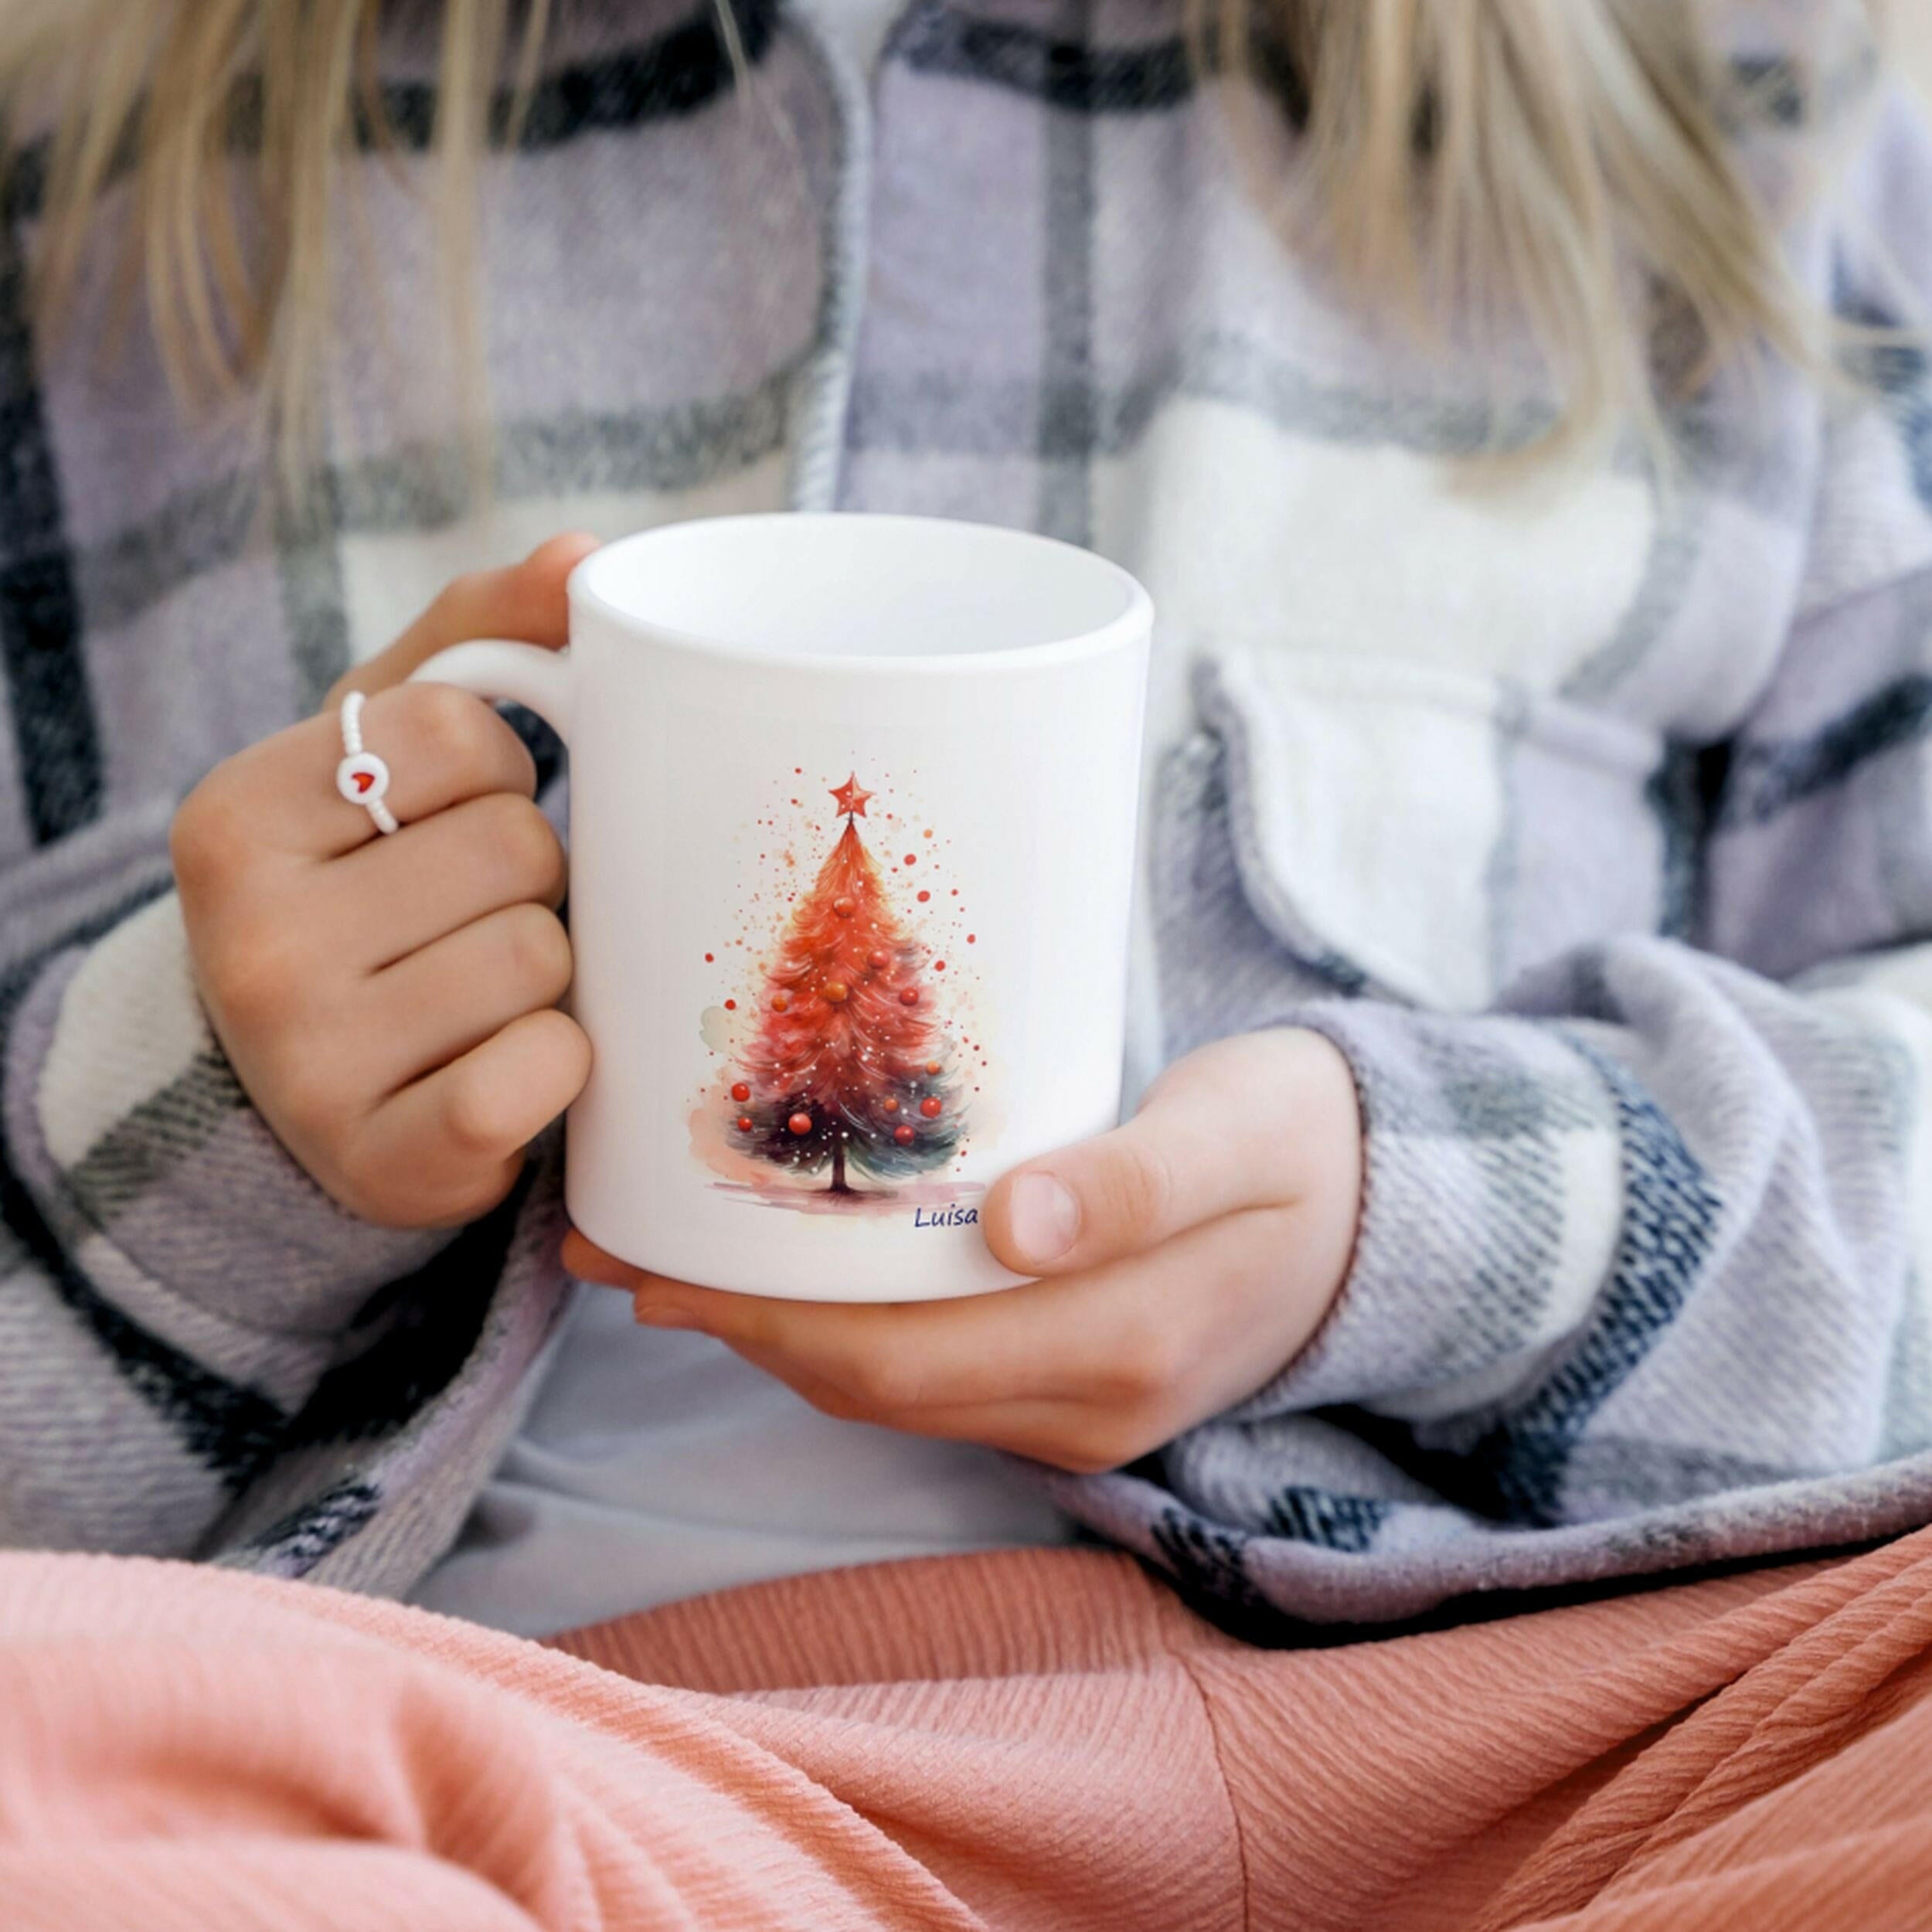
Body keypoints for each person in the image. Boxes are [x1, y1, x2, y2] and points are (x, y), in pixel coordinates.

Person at [0, 0, 1927, 1733]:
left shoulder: (1748, 127)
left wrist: (1430, 1220)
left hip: (1519, 1728)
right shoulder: (88, 218)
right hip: (490, 1726)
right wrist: (204, 1132)